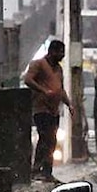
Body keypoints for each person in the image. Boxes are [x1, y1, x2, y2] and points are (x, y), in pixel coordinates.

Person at [23, 39, 72, 182]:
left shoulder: (59, 69)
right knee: (45, 137)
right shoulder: (38, 64)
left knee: (52, 140)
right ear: (51, 52)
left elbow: (60, 89)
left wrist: (69, 104)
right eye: (60, 52)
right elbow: (28, 80)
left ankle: (47, 171)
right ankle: (37, 169)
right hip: (41, 108)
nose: (62, 55)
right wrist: (43, 90)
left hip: (54, 110)